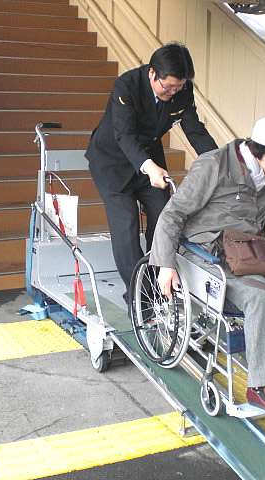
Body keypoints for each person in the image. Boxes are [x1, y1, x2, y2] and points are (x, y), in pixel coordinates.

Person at [149, 116, 265, 415]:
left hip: (246, 250)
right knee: (260, 295)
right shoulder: (213, 165)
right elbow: (173, 214)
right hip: (207, 251)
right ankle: (261, 386)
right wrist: (165, 264)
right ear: (263, 153)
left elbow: (262, 211)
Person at [85, 42, 217, 304]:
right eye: (167, 87)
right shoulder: (127, 85)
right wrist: (148, 166)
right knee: (126, 224)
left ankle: (159, 285)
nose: (172, 93)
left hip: (150, 160)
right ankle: (139, 296)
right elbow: (124, 134)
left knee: (165, 216)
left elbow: (195, 130)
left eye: (178, 88)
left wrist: (219, 162)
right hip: (112, 162)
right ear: (152, 73)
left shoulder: (182, 90)